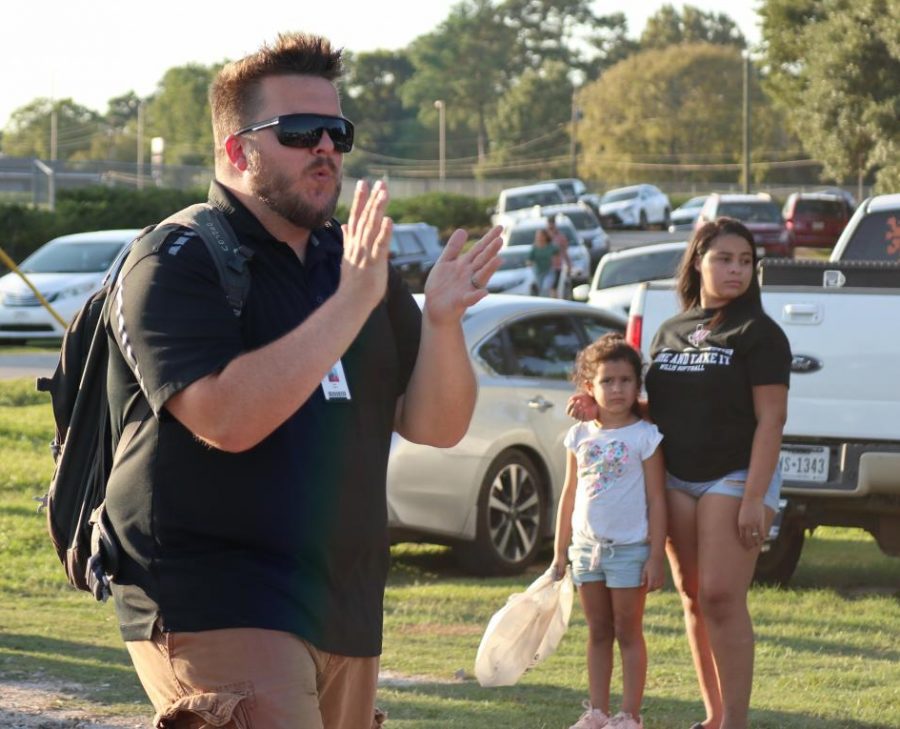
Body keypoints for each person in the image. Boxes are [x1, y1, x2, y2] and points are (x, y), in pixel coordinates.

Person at [103, 32, 501, 729]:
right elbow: (226, 418)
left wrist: (440, 322)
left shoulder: (351, 261)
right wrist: (352, 300)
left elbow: (436, 425)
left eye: (336, 132)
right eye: (297, 131)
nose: (325, 148)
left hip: (343, 605)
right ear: (236, 149)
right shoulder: (176, 260)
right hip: (216, 596)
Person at [569, 217, 791, 729]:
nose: (736, 270)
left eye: (744, 261)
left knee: (719, 594)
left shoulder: (760, 333)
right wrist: (598, 405)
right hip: (676, 478)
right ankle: (713, 716)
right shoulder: (671, 330)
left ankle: (735, 720)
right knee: (692, 596)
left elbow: (772, 419)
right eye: (724, 259)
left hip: (734, 475)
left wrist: (755, 495)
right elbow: (658, 410)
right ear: (698, 262)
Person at [551, 333, 666, 729]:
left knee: (628, 632)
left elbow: (657, 500)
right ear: (589, 387)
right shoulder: (579, 436)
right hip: (586, 551)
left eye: (625, 381)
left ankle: (629, 717)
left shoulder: (645, 437)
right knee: (598, 631)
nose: (616, 389)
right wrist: (558, 554)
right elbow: (568, 495)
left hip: (631, 551)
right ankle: (597, 713)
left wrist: (656, 555)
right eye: (606, 381)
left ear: (638, 386)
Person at [529, 227, 558, 296]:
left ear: (545, 237)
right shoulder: (535, 247)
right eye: (537, 236)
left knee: (546, 286)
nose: (539, 237)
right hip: (538, 272)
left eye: (540, 236)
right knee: (539, 289)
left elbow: (558, 253)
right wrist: (530, 263)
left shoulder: (550, 246)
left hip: (548, 271)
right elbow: (529, 259)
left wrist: (556, 262)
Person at [547, 215, 572, 298]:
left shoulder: (560, 237)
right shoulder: (544, 236)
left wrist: (569, 264)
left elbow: (564, 252)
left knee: (556, 287)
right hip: (545, 266)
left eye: (552, 224)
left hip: (558, 266)